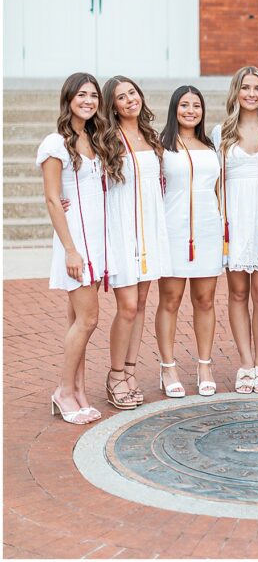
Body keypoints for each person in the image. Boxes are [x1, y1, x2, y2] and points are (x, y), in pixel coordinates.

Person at [39, 73, 116, 424]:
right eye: (81, 95)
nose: (88, 100)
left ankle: (79, 391)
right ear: (68, 98)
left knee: (78, 321)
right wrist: (71, 250)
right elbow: (54, 200)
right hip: (76, 244)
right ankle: (63, 391)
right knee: (89, 319)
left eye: (93, 95)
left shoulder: (94, 139)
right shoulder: (55, 143)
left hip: (96, 241)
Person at [211, 67, 258, 394]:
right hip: (235, 224)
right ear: (236, 92)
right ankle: (245, 364)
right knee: (238, 294)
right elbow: (209, 183)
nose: (252, 94)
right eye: (246, 87)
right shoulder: (220, 134)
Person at [101, 75, 172, 409]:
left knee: (142, 304)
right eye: (120, 97)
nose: (129, 100)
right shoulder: (106, 138)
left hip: (149, 226)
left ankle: (130, 370)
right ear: (111, 106)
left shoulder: (150, 135)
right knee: (127, 307)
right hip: (122, 227)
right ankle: (115, 374)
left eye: (132, 93)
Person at [155, 86, 223, 397]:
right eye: (184, 105)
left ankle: (204, 365)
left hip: (208, 230)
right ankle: (167, 368)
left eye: (196, 105)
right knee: (170, 300)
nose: (190, 110)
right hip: (173, 229)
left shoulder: (211, 146)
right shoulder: (161, 147)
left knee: (205, 301)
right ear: (174, 108)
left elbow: (218, 189)